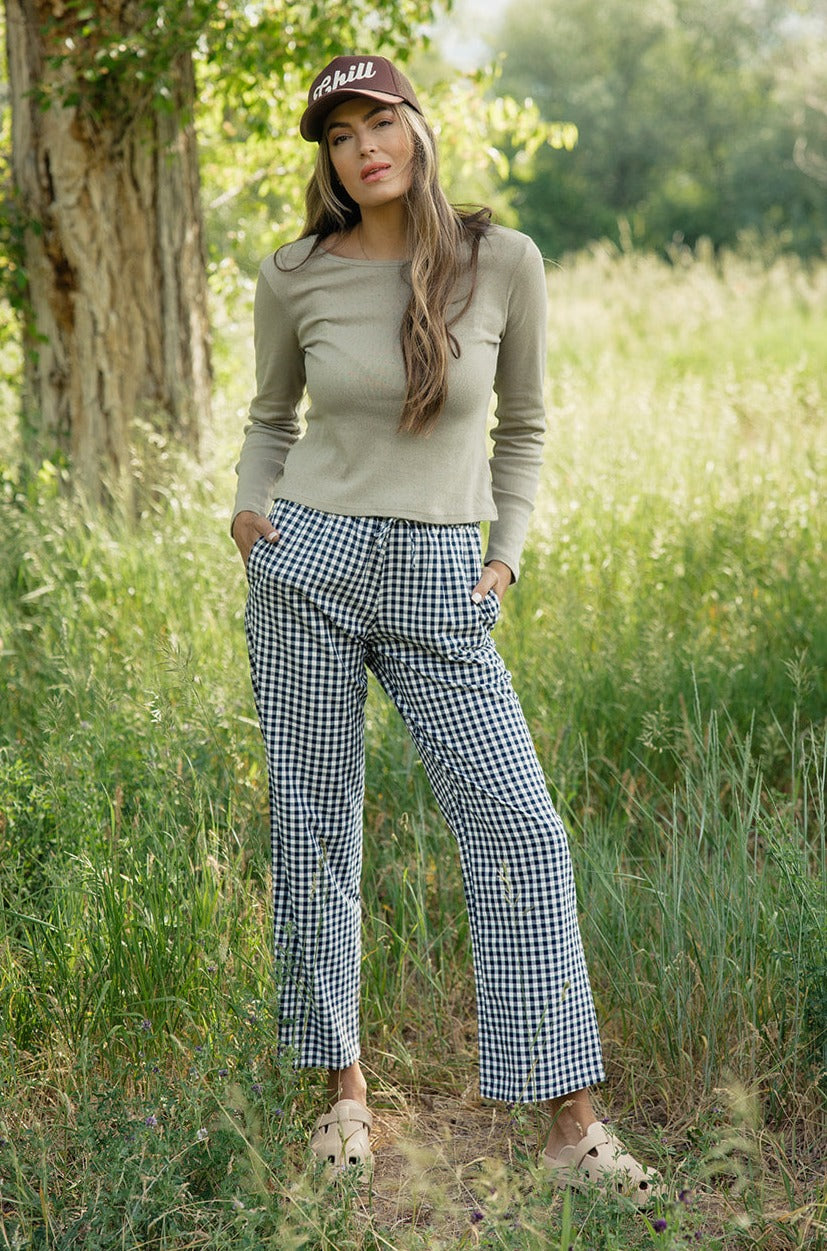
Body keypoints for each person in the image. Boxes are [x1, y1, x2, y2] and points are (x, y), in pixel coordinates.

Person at [231, 53, 662, 1203]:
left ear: (416, 130)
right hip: (307, 563)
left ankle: (572, 1132)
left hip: (440, 575)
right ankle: (341, 1099)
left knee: (522, 834)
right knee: (317, 835)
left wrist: (505, 554)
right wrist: (247, 514)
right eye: (337, 135)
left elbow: (522, 429)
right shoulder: (296, 274)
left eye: (379, 122)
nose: (362, 147)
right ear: (324, 158)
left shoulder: (503, 261)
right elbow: (269, 418)